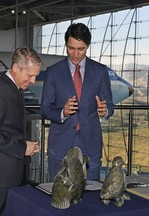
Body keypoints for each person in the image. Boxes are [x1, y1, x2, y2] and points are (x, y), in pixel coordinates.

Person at [40, 23, 114, 182]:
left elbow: (110, 105)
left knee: (90, 196)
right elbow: (45, 108)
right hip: (60, 145)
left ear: (88, 46)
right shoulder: (53, 72)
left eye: (80, 49)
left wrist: (105, 110)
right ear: (65, 44)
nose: (75, 54)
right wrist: (62, 112)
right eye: (70, 48)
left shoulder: (100, 71)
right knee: (58, 197)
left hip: (90, 144)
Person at [0, 47, 43, 216]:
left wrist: (28, 144)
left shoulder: (14, 88)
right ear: (16, 68)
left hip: (12, 167)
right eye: (30, 75)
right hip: (2, 171)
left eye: (35, 75)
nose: (33, 80)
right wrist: (22, 148)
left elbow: (12, 126)